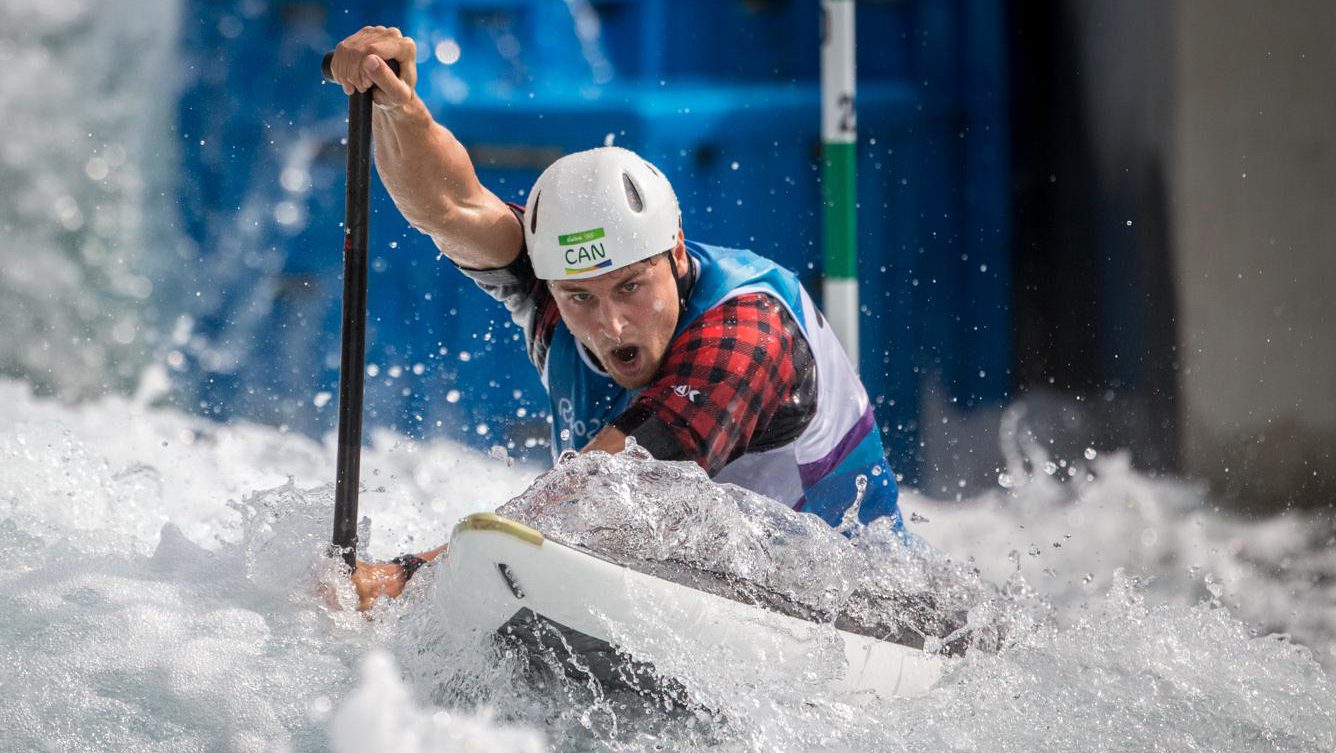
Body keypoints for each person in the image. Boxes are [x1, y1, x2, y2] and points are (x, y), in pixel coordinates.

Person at [326, 27, 903, 610]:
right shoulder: (554, 282)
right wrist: (398, 107)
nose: (612, 325)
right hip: (689, 584)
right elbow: (447, 206)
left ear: (676, 253)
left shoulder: (747, 330)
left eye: (630, 287)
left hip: (859, 612)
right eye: (580, 298)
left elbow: (605, 494)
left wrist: (403, 579)